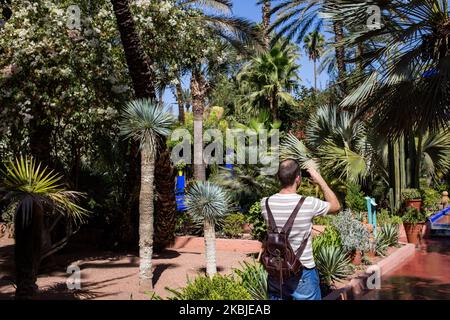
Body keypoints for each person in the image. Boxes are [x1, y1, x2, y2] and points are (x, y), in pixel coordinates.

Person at [261, 159, 340, 300]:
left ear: (279, 178)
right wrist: (320, 180)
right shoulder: (308, 203)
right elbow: (335, 206)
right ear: (298, 178)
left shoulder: (265, 203)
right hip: (303, 271)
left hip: (276, 272)